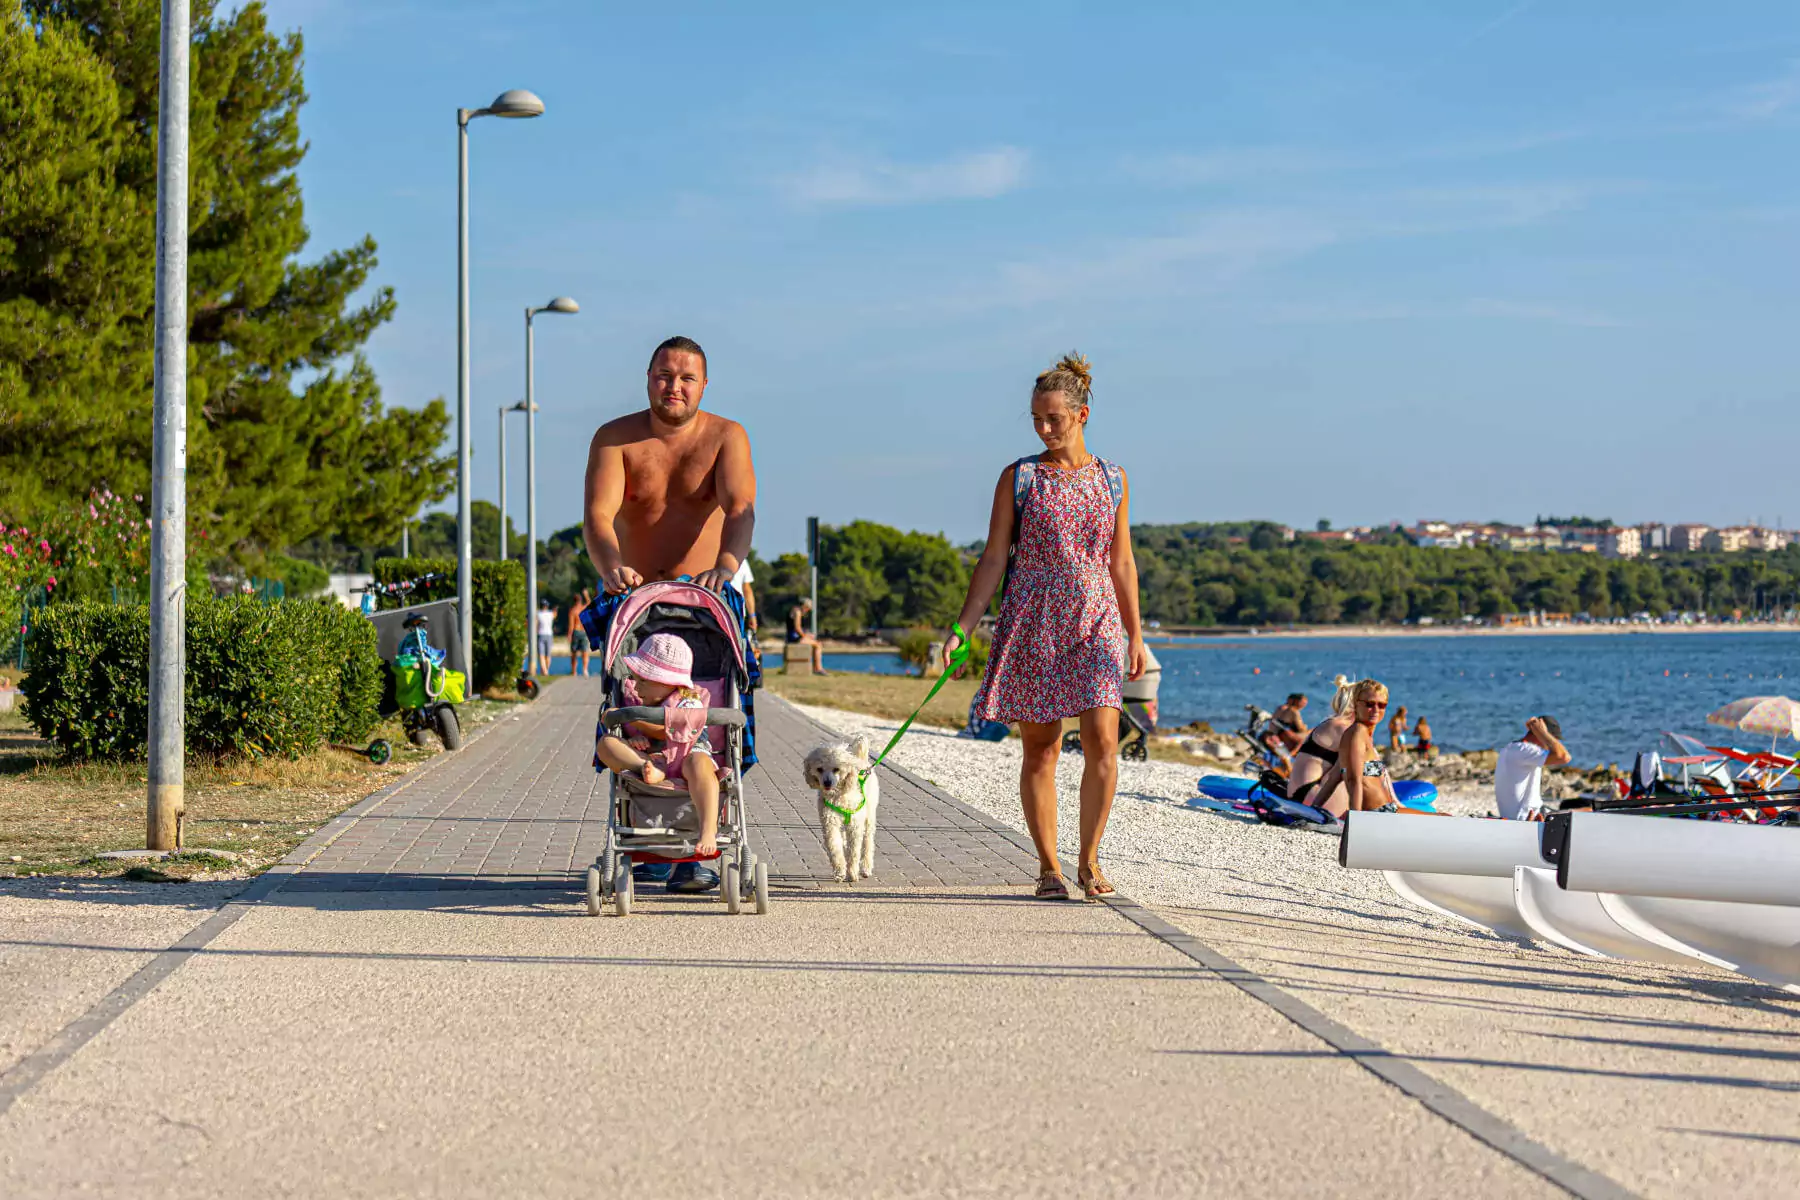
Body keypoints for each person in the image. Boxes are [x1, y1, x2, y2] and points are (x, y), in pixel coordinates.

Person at [943, 352, 1146, 902]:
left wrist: (1136, 634)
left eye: (1054, 418)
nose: (1044, 428)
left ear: (1081, 415)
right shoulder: (1020, 478)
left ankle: (1090, 859)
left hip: (1097, 618)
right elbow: (992, 559)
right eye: (1037, 418)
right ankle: (1049, 867)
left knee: (1104, 738)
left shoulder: (1113, 478)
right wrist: (963, 628)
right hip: (1033, 620)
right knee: (1042, 749)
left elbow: (1121, 561)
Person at [583, 334, 757, 894]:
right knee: (633, 722)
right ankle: (646, 841)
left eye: (686, 377)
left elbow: (740, 509)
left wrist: (726, 566)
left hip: (706, 601)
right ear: (647, 377)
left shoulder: (726, 436)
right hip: (634, 600)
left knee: (716, 724)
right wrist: (610, 565)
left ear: (704, 384)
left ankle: (694, 849)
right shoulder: (615, 438)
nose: (674, 386)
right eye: (664, 375)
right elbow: (598, 515)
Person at [593, 633, 723, 858]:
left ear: (668, 683)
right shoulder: (639, 702)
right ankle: (649, 767)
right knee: (606, 744)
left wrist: (630, 718)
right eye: (635, 678)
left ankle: (708, 830)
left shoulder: (688, 700)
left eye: (643, 680)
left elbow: (666, 730)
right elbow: (644, 735)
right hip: (654, 758)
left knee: (700, 766)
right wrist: (634, 741)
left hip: (689, 753)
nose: (636, 686)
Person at [1306, 678, 1402, 819]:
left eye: (1382, 705)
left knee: (1442, 817)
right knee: (1443, 818)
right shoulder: (1357, 733)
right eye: (1370, 704)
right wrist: (1356, 821)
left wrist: (1312, 810)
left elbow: (1334, 778)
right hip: (1380, 814)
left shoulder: (1360, 734)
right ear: (1356, 704)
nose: (1376, 709)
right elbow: (1353, 780)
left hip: (1385, 810)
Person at [1284, 675, 1355, 805]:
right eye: (1370, 704)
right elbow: (1362, 768)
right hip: (1311, 797)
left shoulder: (1332, 722)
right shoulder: (1343, 728)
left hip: (1298, 795)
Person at [1495, 715, 1570, 821]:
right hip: (1527, 817)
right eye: (1552, 740)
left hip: (1522, 814)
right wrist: (1543, 733)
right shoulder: (1524, 750)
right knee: (1588, 809)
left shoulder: (1512, 749)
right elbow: (1564, 757)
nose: (1550, 745)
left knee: (1574, 805)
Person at [786, 598, 828, 675]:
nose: (807, 611)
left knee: (815, 642)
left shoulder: (795, 610)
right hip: (794, 638)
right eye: (808, 609)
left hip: (793, 636)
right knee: (818, 645)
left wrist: (807, 635)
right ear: (804, 606)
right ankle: (818, 668)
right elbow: (797, 628)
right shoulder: (798, 612)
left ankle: (816, 667)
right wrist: (805, 636)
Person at [566, 588, 593, 677]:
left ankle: (574, 671)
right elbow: (590, 603)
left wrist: (569, 635)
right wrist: (586, 595)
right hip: (584, 632)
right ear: (581, 600)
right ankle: (585, 670)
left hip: (576, 632)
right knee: (585, 652)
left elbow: (571, 625)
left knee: (574, 653)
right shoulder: (584, 608)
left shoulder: (573, 611)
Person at [534, 601, 555, 675]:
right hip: (549, 634)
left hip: (540, 634)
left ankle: (544, 671)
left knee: (541, 655)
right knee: (548, 655)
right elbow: (555, 615)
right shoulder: (551, 614)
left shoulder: (538, 614)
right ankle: (546, 670)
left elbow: (536, 625)